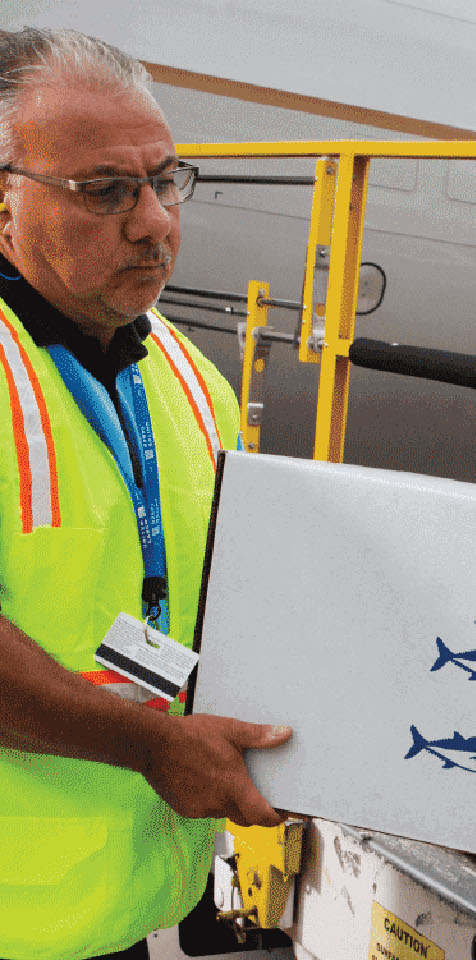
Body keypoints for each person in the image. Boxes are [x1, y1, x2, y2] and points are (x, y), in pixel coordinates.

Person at [0, 28, 291, 960]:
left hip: (115, 909)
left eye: (166, 180)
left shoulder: (187, 375)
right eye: (105, 191)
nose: (154, 221)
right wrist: (154, 747)